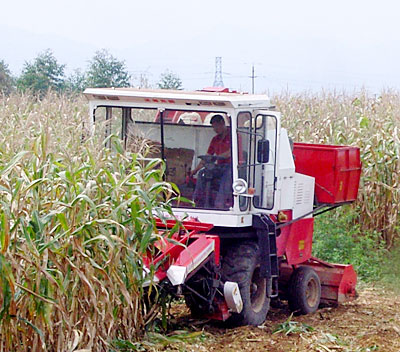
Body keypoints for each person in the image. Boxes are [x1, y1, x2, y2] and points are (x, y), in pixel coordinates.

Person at [190, 114, 233, 209]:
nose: (215, 129)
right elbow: (208, 156)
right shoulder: (215, 139)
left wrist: (217, 157)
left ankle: (220, 203)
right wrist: (195, 171)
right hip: (220, 167)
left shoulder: (233, 136)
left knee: (227, 175)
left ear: (222, 123)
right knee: (203, 173)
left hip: (232, 167)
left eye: (216, 126)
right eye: (213, 127)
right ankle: (198, 201)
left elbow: (231, 152)